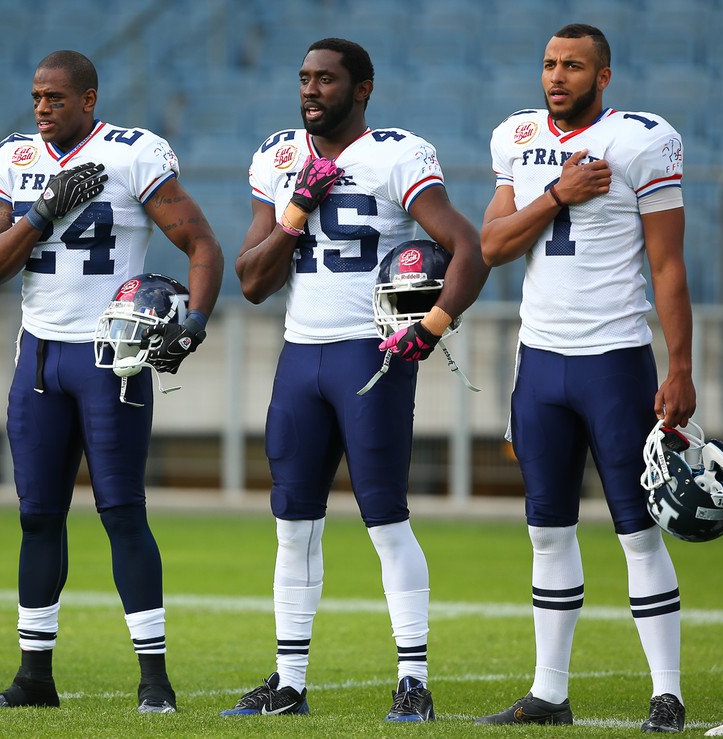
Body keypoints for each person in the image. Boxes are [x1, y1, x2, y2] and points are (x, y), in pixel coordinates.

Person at [222, 38, 487, 721]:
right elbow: (251, 280)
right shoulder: (279, 156)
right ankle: (288, 683)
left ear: (362, 88)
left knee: (385, 519)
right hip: (300, 356)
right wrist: (295, 211)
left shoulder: (395, 154)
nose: (311, 90)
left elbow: (470, 248)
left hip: (370, 357)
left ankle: (413, 681)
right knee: (292, 525)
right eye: (304, 78)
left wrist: (434, 323)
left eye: (327, 79)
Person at [0, 50, 223, 714]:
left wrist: (194, 323)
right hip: (39, 357)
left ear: (88, 99)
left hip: (112, 358)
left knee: (122, 511)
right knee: (36, 515)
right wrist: (41, 213)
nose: (42, 108)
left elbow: (202, 244)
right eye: (36, 97)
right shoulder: (13, 160)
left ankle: (154, 680)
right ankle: (34, 678)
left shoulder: (133, 154)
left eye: (55, 97)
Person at [474, 24, 694, 733]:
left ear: (603, 77)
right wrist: (559, 194)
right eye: (549, 63)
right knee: (547, 531)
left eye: (573, 65)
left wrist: (681, 366)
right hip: (540, 362)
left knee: (639, 531)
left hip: (615, 360)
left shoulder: (641, 140)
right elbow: (491, 245)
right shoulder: (516, 137)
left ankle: (667, 694)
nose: (556, 76)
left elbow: (667, 265)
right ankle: (548, 693)